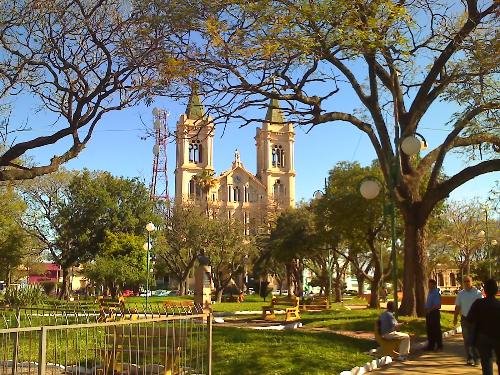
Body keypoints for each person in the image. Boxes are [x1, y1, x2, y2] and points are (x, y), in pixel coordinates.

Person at [466, 279, 500, 375]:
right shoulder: (499, 305)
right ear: (496, 291)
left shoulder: (478, 303)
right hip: (498, 337)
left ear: (484, 291)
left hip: (482, 337)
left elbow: (469, 319)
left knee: (486, 364)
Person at [453, 275, 483, 366]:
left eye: (468, 281)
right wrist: (455, 318)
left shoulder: (477, 293)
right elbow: (457, 307)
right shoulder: (461, 294)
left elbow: (481, 307)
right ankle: (469, 358)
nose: (466, 283)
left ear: (471, 282)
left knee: (474, 339)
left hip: (475, 320)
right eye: (465, 281)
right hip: (465, 319)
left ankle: (477, 358)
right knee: (466, 340)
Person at [425, 278, 443, 351]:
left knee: (436, 330)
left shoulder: (436, 293)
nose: (428, 285)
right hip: (429, 313)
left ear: (433, 284)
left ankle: (439, 345)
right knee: (429, 330)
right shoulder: (430, 292)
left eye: (430, 284)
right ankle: (431, 345)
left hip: (434, 313)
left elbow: (437, 305)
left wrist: (430, 310)